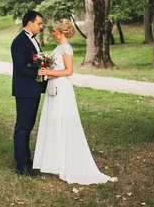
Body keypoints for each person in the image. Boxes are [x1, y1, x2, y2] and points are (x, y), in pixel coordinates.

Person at [33, 19, 116, 185]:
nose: (53, 33)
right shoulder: (59, 47)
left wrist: (49, 71)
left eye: (55, 31)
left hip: (62, 89)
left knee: (61, 120)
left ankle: (65, 161)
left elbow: (69, 71)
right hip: (54, 85)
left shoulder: (66, 48)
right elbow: (58, 69)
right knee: (54, 121)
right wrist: (48, 74)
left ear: (62, 32)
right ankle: (54, 161)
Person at [11, 10, 47, 177]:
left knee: (28, 126)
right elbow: (20, 67)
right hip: (25, 90)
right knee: (23, 127)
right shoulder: (19, 42)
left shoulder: (33, 40)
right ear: (29, 23)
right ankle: (22, 165)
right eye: (39, 23)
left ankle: (27, 159)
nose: (41, 26)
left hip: (33, 89)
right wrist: (38, 73)